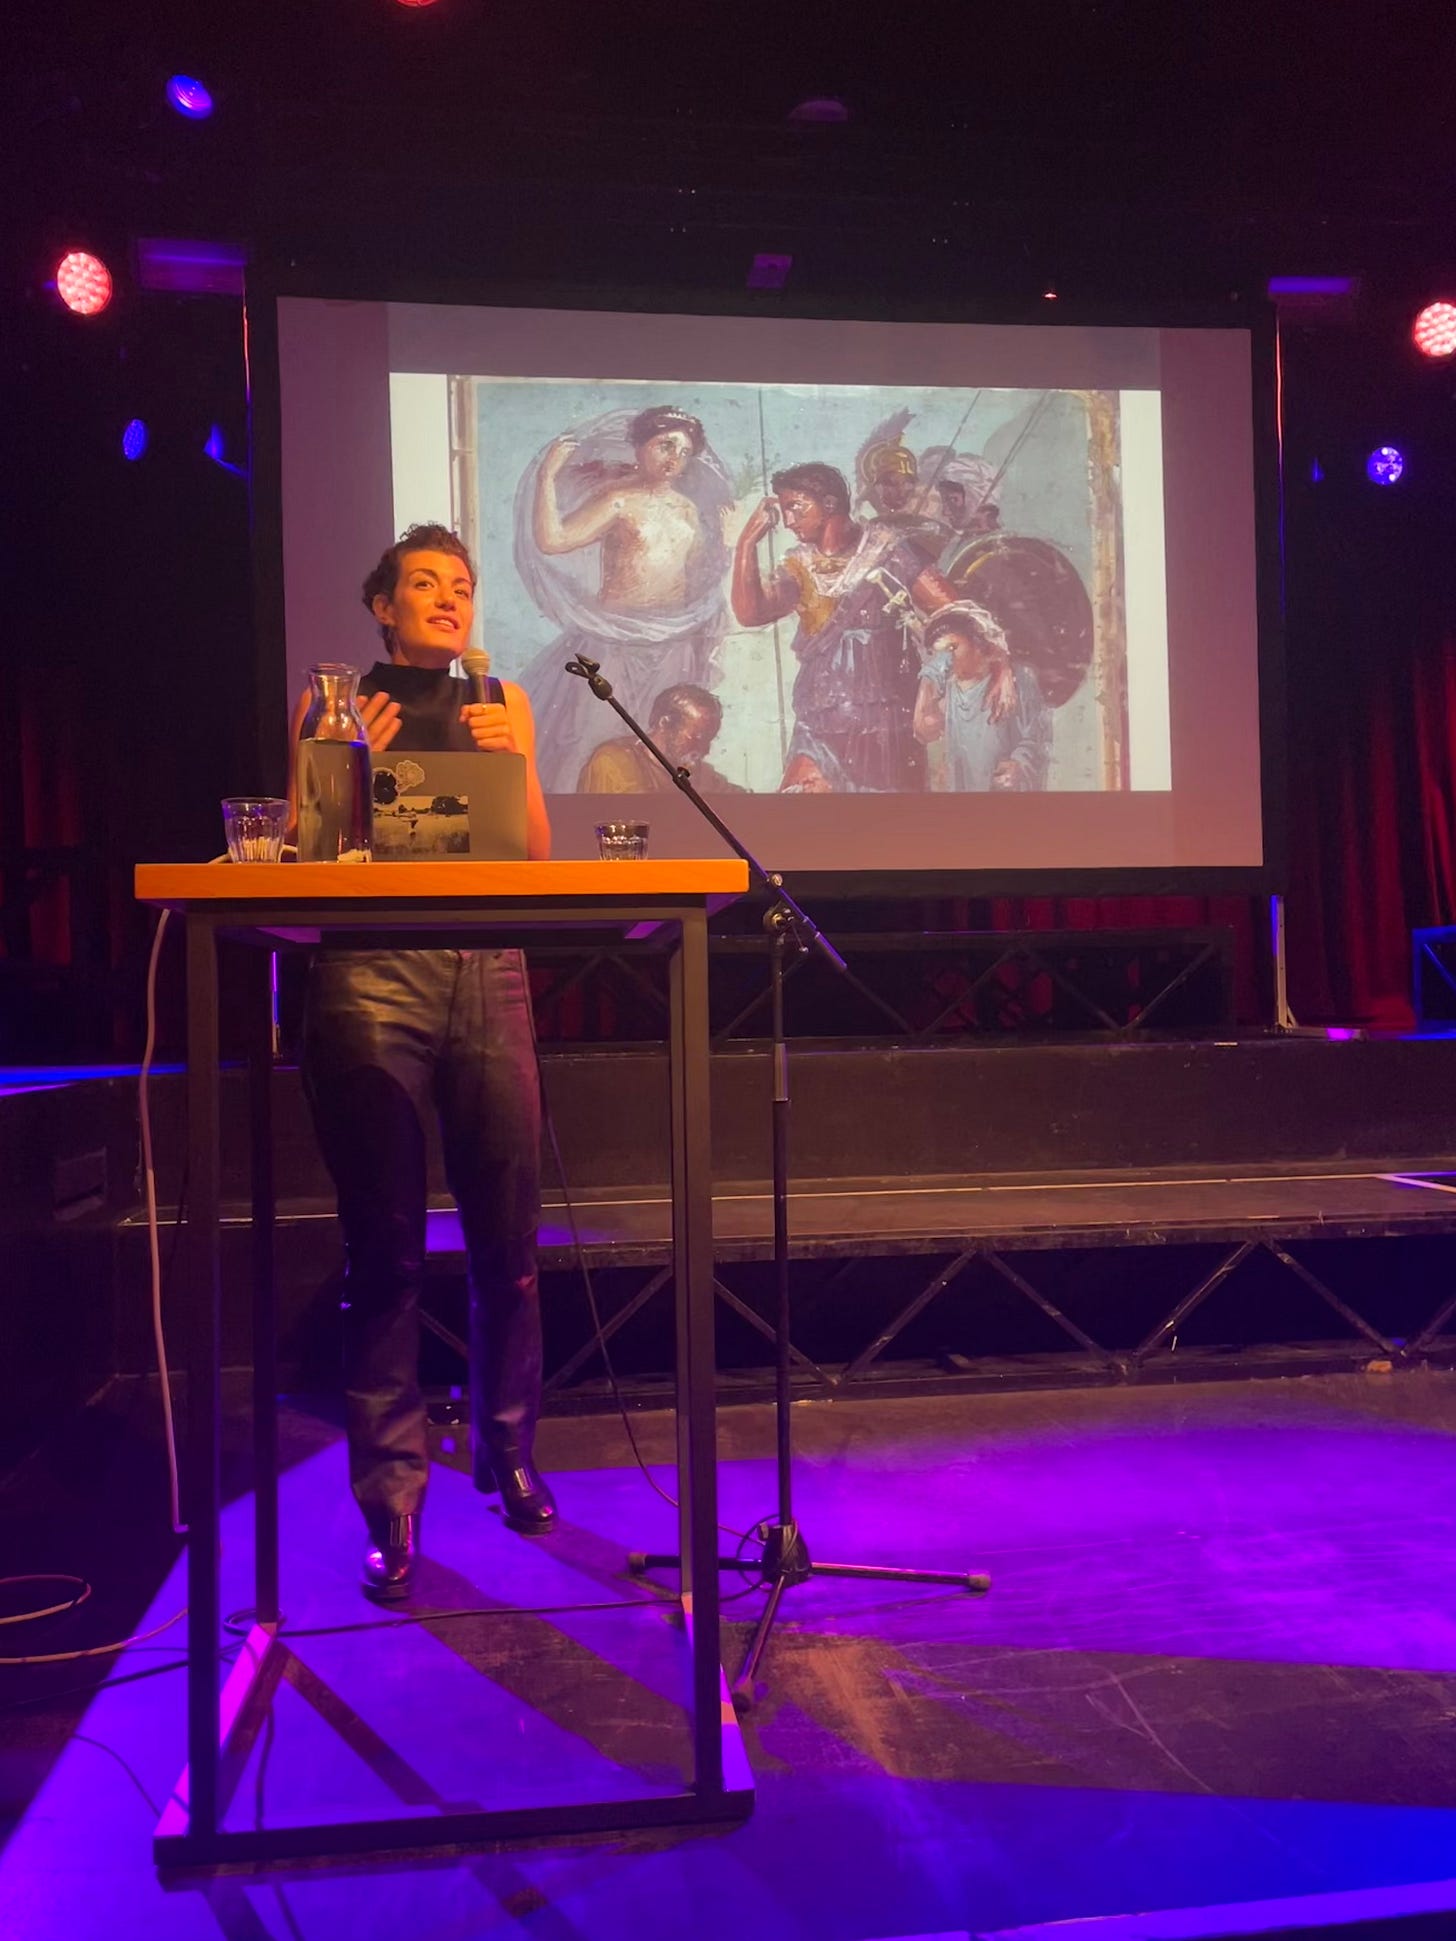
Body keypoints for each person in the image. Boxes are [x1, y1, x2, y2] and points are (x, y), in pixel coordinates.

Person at [289, 523, 554, 1602]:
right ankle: (393, 1498)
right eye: (423, 585)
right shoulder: (338, 704)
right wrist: (346, 758)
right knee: (387, 1251)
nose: (447, 598)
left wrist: (512, 760)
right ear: (384, 609)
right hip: (372, 976)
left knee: (509, 1238)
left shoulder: (505, 700)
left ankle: (509, 1450)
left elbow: (535, 859)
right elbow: (310, 862)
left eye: (461, 585)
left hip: (487, 965)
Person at [731, 462, 1016, 793]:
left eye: (795, 507)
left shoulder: (890, 552)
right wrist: (747, 544)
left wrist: (999, 659)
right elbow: (751, 613)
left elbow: (955, 611)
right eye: (784, 510)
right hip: (821, 719)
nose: (789, 521)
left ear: (829, 503)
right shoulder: (798, 566)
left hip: (886, 723)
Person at [517, 405, 733, 792]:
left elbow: (701, 575)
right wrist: (547, 477)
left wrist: (731, 543)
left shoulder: (688, 511)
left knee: (665, 748)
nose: (674, 459)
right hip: (614, 641)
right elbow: (553, 540)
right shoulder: (618, 501)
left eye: (683, 453)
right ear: (640, 447)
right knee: (590, 739)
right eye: (666, 446)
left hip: (670, 643)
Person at [913, 602, 1051, 791]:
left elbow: (1037, 737)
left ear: (977, 644)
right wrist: (929, 677)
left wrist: (1019, 764)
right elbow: (923, 728)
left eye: (953, 648)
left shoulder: (1017, 679)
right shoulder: (951, 690)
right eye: (940, 653)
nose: (947, 660)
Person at [575, 683, 745, 794]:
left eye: (709, 739)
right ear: (665, 723)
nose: (705, 749)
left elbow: (736, 800)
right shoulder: (612, 760)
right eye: (697, 737)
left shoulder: (697, 771)